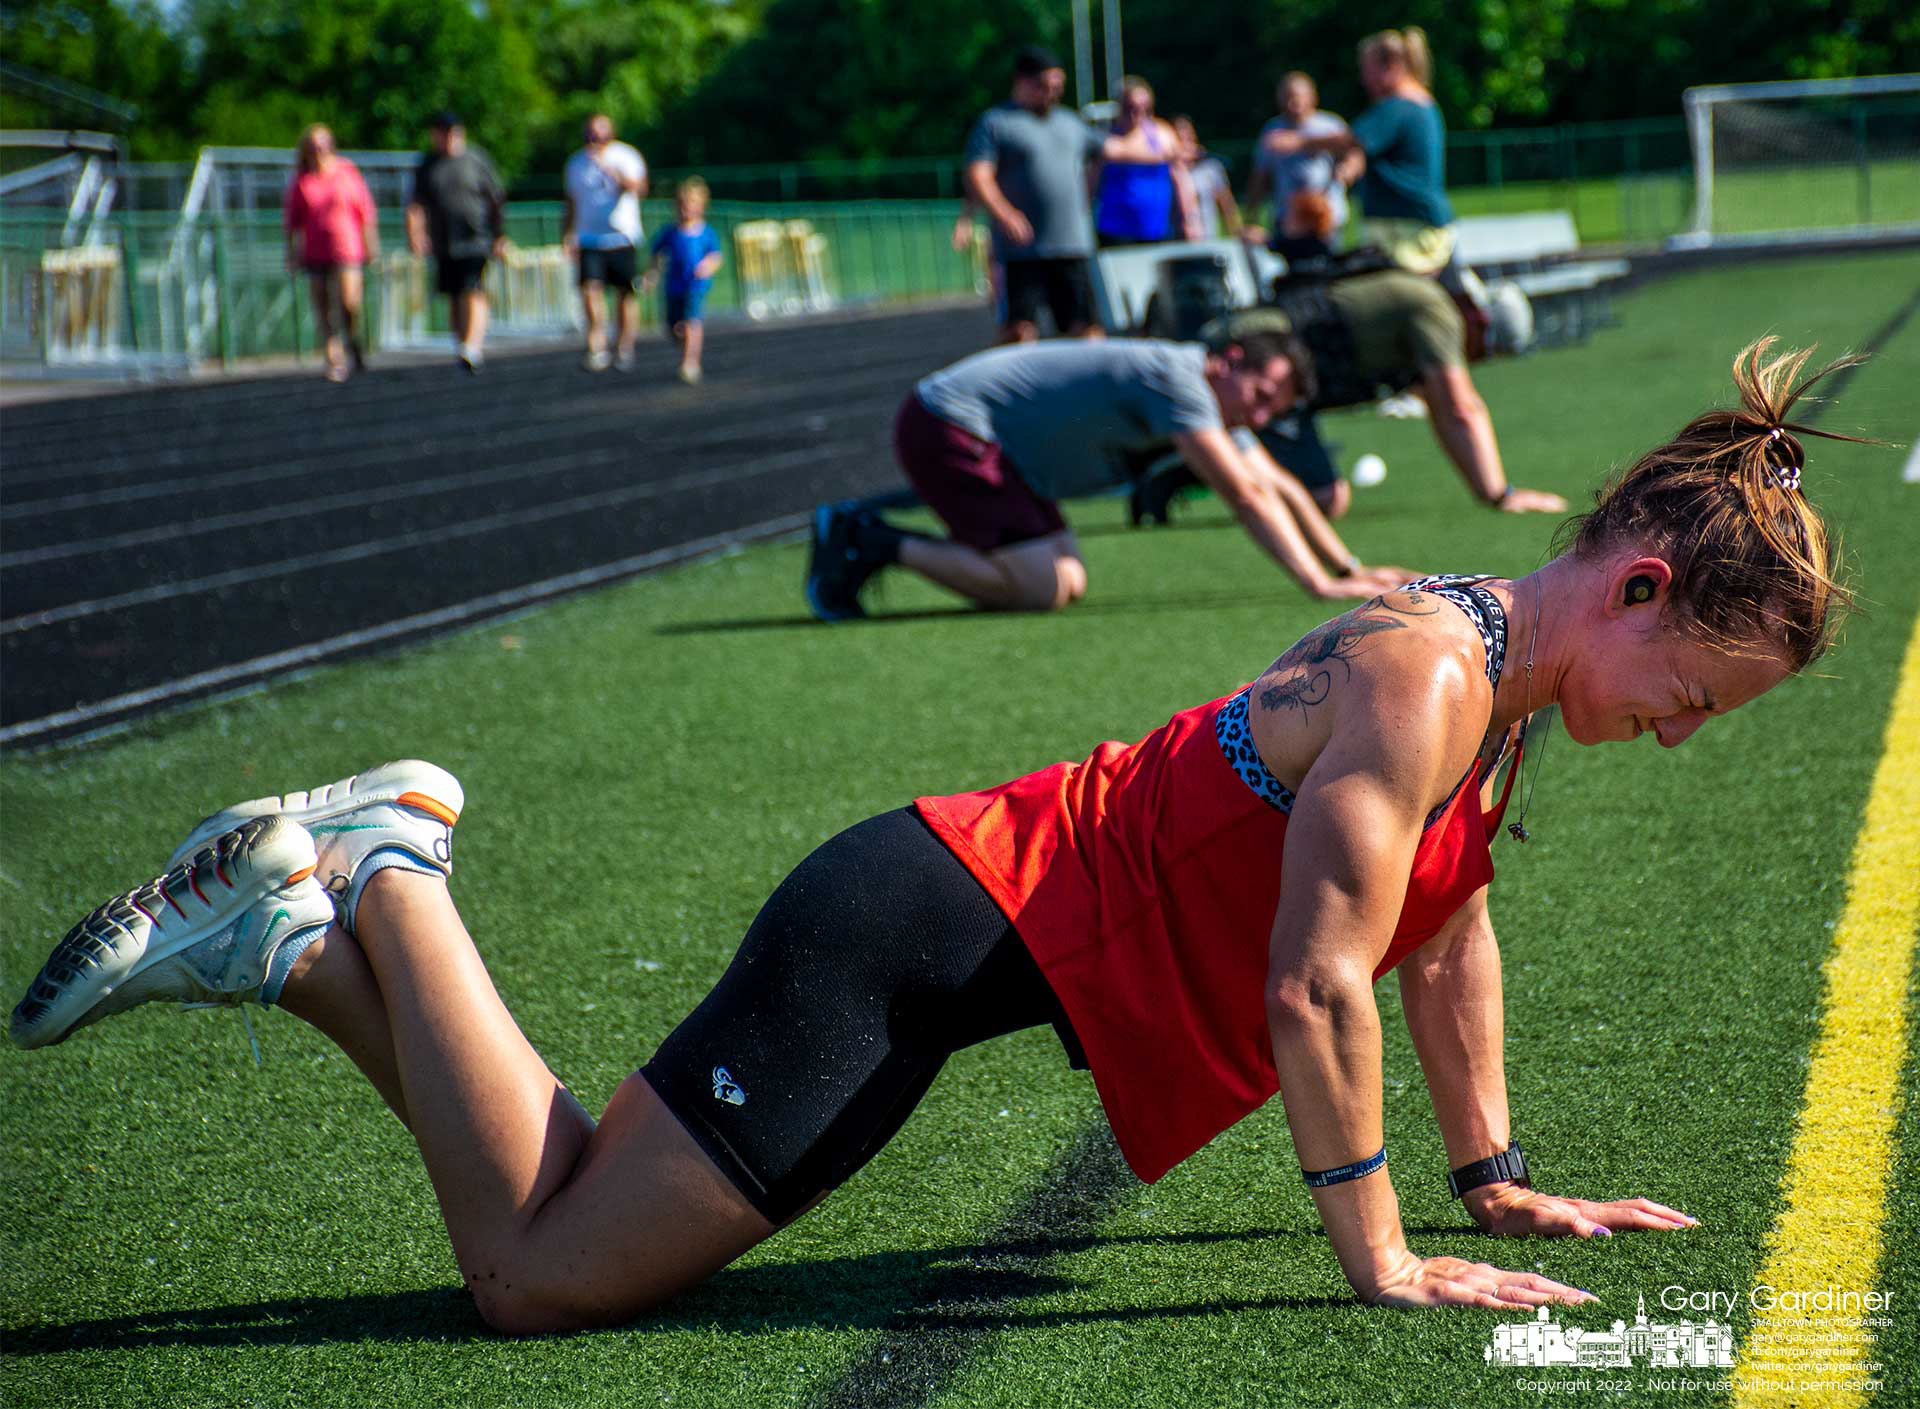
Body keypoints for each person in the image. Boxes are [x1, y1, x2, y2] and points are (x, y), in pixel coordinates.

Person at [11, 338, 1860, 1331]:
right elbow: (1317, 984)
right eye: (1697, 691)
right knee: (534, 1282)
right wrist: (1376, 1251)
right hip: (902, 944)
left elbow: (1443, 930)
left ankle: (306, 940)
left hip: (918, 909)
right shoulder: (1430, 676)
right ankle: (399, 871)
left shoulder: (1495, 683)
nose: (1685, 736)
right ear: (1632, 581)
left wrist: (1492, 1167)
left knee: (558, 1201)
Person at [803, 329, 1412, 621]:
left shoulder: (1208, 391)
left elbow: (1277, 483)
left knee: (1067, 581)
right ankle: (864, 537)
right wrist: (1315, 585)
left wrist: (1347, 567)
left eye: (1270, 410)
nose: (1257, 415)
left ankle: (871, 539)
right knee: (1042, 588)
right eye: (1259, 395)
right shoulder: (1181, 383)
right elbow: (1247, 496)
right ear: (1228, 362)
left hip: (992, 442)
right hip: (948, 425)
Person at [1140, 273, 1565, 520]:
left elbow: (1444, 411)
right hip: (1262, 361)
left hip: (1285, 376)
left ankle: (1177, 465)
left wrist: (1487, 490)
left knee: (1320, 495)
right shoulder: (1439, 313)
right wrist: (1501, 495)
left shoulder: (1426, 309)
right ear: (1478, 315)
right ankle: (1173, 467)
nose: (1480, 359)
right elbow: (1461, 407)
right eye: (1488, 348)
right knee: (1327, 498)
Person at [1266, 32, 1456, 280]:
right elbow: (1363, 150)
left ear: (1391, 67)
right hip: (1413, 223)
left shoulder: (1398, 106)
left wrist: (1298, 141)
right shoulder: (1419, 103)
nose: (1364, 79)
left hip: (1405, 228)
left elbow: (1351, 139)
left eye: (1367, 69)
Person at [963, 45, 1107, 342]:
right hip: (1022, 251)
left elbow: (1110, 151)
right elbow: (979, 175)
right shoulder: (997, 123)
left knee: (1086, 329)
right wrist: (1006, 214)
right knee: (1020, 331)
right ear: (1022, 81)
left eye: (1057, 87)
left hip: (1071, 245)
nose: (1052, 94)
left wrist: (1165, 145)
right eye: (1044, 86)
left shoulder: (1070, 122)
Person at [407, 113, 507, 374]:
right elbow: (416, 204)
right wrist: (416, 235)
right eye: (442, 132)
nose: (448, 137)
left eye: (452, 131)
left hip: (476, 237)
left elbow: (496, 198)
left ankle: (473, 345)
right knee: (453, 294)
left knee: (472, 289)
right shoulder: (428, 164)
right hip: (444, 241)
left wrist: (499, 235)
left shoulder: (476, 159)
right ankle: (463, 344)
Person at [283, 124, 379, 383]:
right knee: (323, 305)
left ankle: (353, 339)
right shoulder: (302, 181)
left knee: (349, 303)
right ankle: (333, 358)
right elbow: (292, 222)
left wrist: (372, 246)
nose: (319, 151)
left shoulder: (347, 172)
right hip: (315, 251)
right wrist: (291, 253)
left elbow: (365, 211)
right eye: (314, 146)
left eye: (323, 145)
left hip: (347, 249)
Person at [562, 113, 648, 373]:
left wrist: (611, 170)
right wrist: (568, 233)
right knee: (590, 290)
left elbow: (639, 188)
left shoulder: (626, 156)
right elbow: (572, 201)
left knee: (625, 294)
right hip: (590, 237)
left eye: (600, 135)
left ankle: (625, 346)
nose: (595, 140)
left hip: (621, 236)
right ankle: (597, 344)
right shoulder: (576, 163)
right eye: (590, 135)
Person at [1244, 73, 1355, 261]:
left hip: (1325, 218)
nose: (1292, 103)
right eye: (1286, 97)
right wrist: (1251, 213)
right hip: (1289, 220)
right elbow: (1260, 174)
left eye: (1296, 96)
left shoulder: (1330, 125)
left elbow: (1353, 151)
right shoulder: (1273, 130)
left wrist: (1346, 171)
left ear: (1312, 96)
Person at [1091, 77, 1195, 248]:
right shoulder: (1108, 138)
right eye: (1130, 107)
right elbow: (1091, 181)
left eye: (1143, 108)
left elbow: (1181, 179)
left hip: (1156, 228)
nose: (1136, 113)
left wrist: (1189, 219)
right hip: (1115, 229)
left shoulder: (1163, 134)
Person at [643, 178, 724, 385]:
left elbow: (716, 255)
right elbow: (656, 255)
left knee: (692, 322)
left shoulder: (706, 232)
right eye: (682, 204)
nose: (685, 209)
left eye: (691, 204)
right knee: (672, 326)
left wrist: (707, 266)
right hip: (673, 286)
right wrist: (651, 276)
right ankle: (686, 345)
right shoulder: (670, 233)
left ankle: (691, 363)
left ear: (701, 206)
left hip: (695, 286)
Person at [1172, 116, 1240, 242]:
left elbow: (1227, 204)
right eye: (1180, 140)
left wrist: (1235, 233)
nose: (1186, 145)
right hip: (1177, 242)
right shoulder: (1168, 172)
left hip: (1209, 239)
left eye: (1189, 139)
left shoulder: (1210, 168)